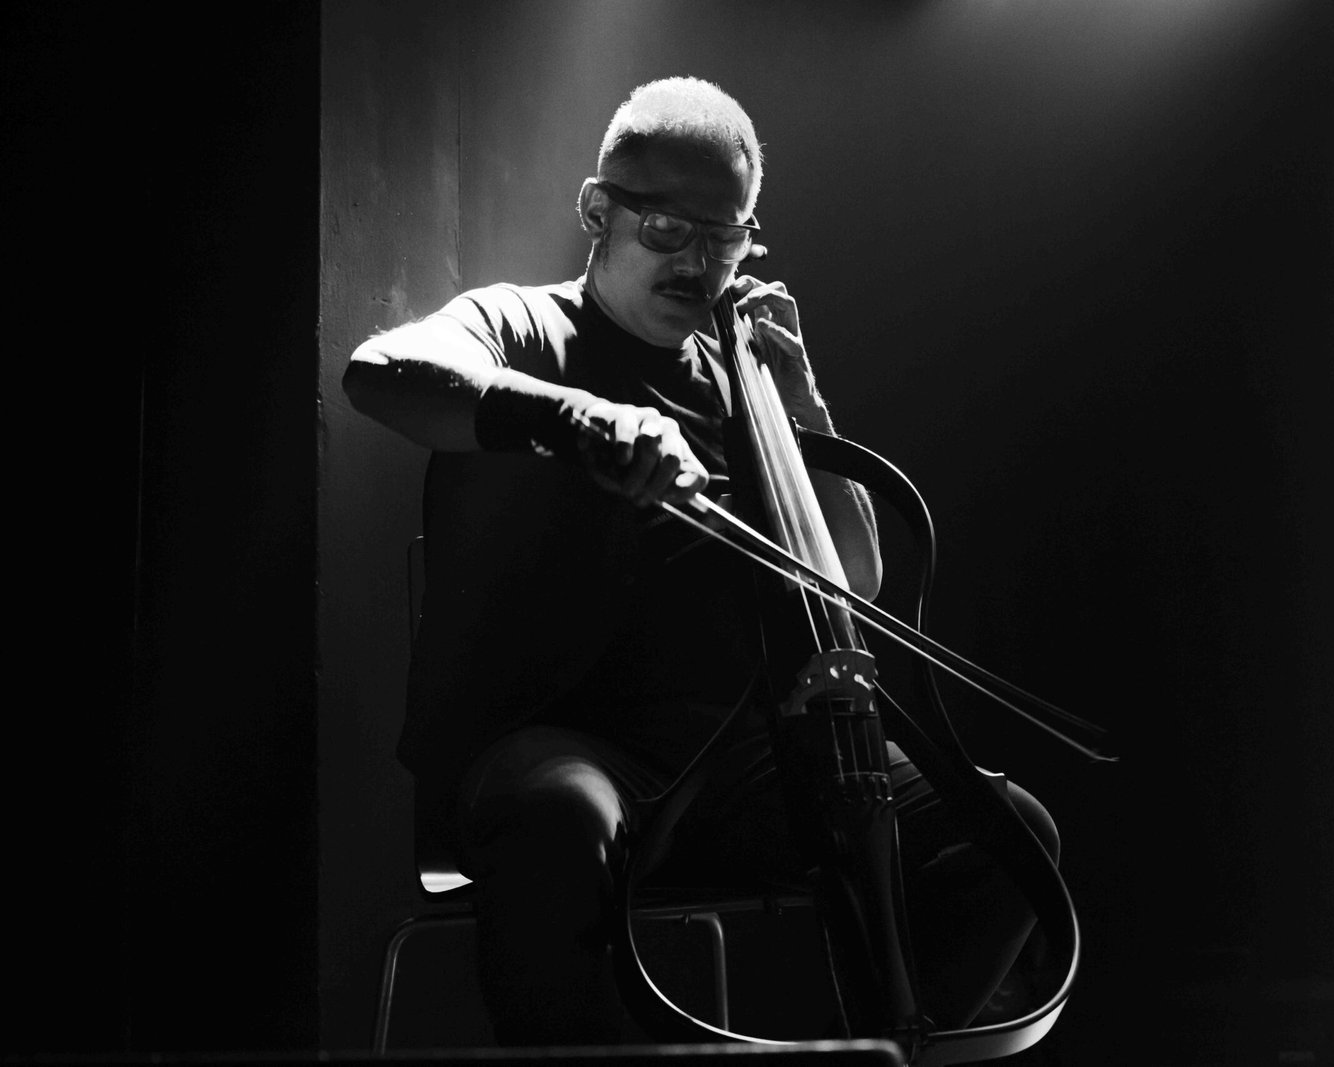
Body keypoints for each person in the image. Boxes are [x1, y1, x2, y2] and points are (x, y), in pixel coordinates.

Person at [344, 77, 1058, 1047]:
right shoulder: (520, 324)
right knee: (557, 818)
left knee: (1010, 834)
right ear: (597, 211)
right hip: (562, 744)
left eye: (725, 239)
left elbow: (851, 579)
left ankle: (858, 1050)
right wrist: (578, 418)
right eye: (667, 229)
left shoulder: (741, 382)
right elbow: (378, 374)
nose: (698, 263)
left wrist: (800, 400)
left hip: (738, 767)